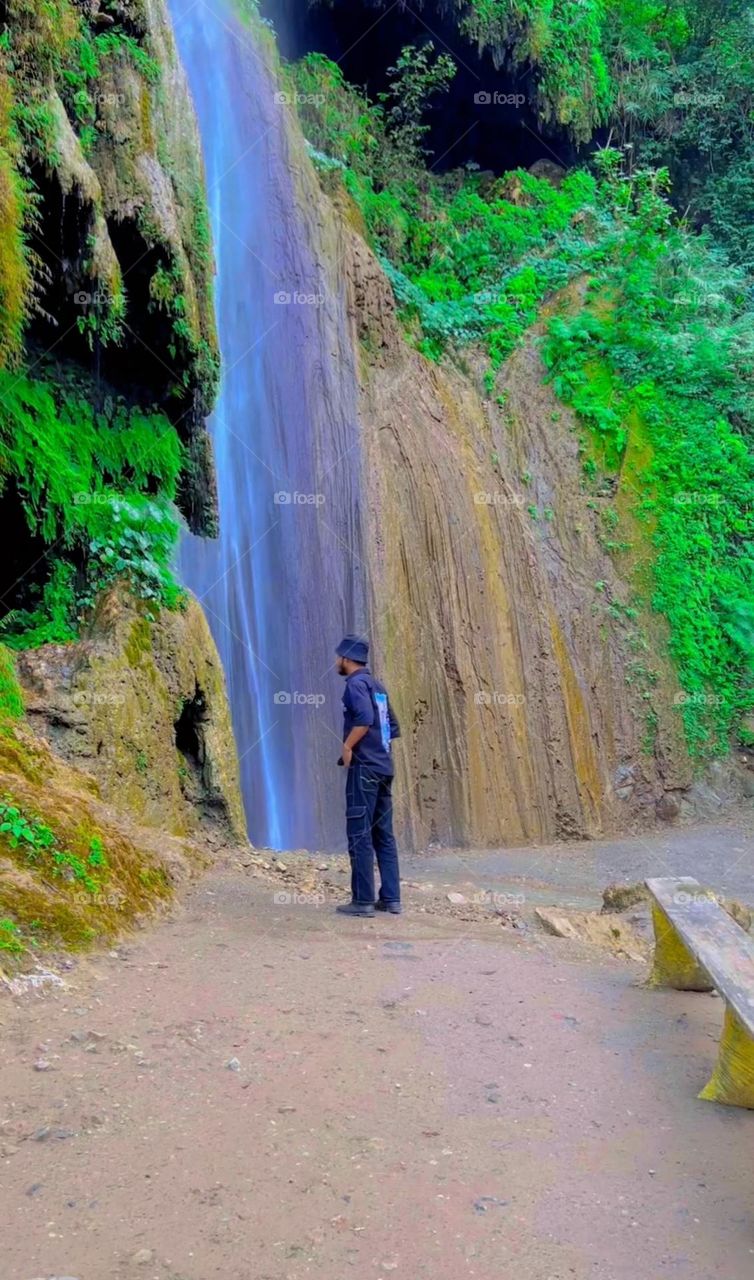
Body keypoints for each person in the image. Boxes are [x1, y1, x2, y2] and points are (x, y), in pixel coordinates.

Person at [335, 634, 402, 917]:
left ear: (347, 659)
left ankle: (362, 901)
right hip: (384, 768)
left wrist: (348, 747)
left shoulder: (355, 685)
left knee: (359, 834)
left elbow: (364, 719)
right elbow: (393, 727)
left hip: (364, 770)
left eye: (338, 657)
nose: (336, 662)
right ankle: (391, 899)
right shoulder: (378, 686)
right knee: (383, 836)